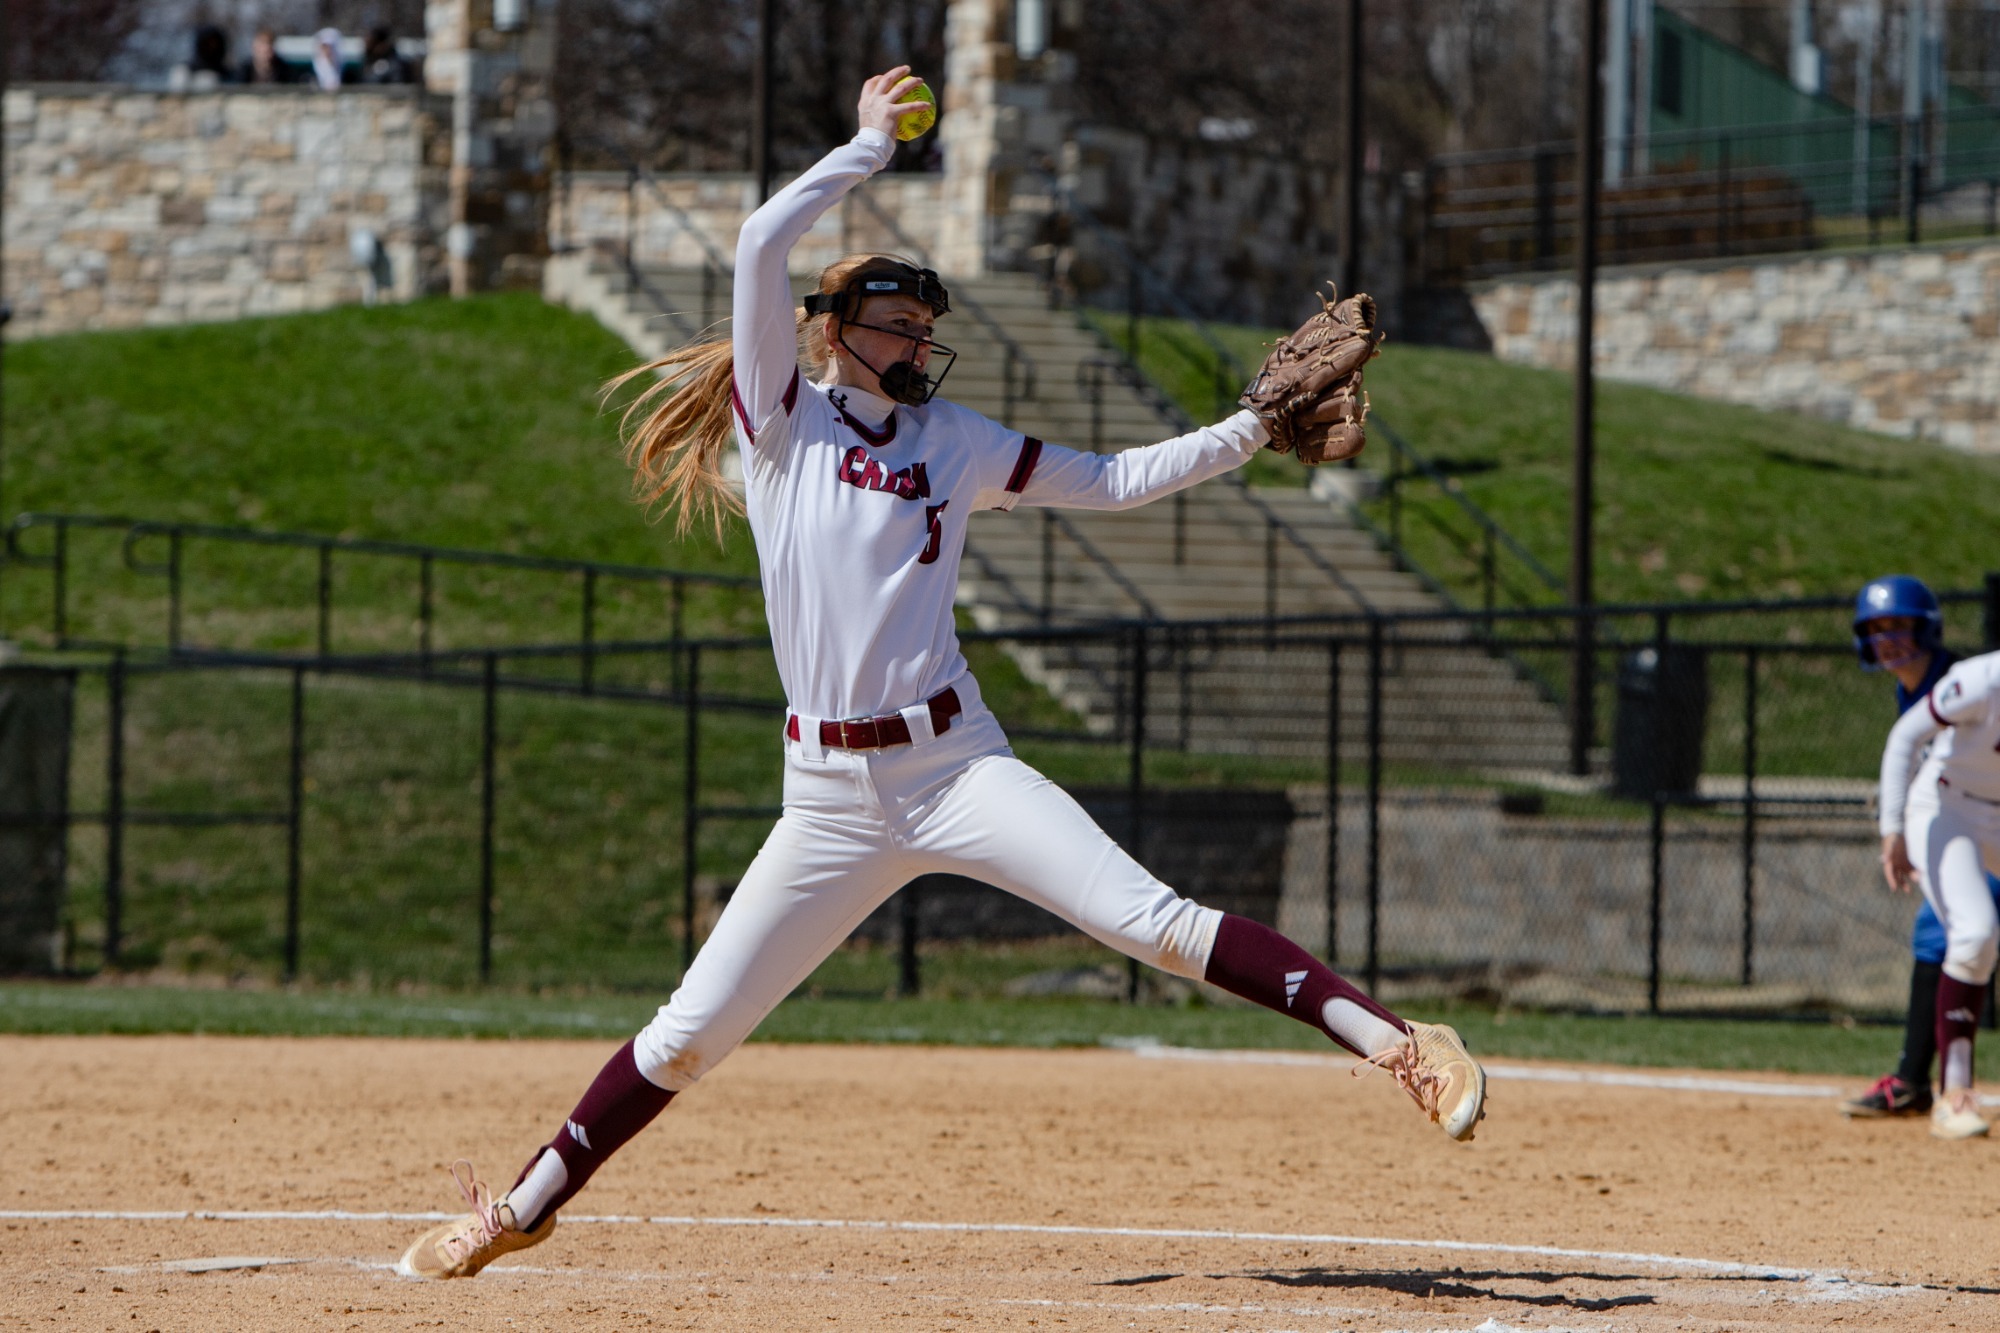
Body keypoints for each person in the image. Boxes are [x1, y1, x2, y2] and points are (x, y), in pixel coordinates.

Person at [396, 68, 1487, 1282]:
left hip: (956, 765)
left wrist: (1246, 428)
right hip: (823, 795)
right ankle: (522, 1204)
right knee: (689, 1034)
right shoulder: (781, 424)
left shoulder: (953, 442)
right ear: (833, 330)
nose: (920, 343)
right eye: (897, 325)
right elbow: (761, 241)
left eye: (926, 328)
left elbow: (1114, 481)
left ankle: (1399, 1044)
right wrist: (868, 146)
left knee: (1152, 923)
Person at [1844, 577, 2000, 1124]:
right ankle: (1922, 1081)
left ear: (1925, 627)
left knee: (1958, 936)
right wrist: (1896, 826)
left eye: (1898, 626)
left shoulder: (1946, 678)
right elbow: (1907, 746)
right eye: (1876, 629)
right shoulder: (1968, 682)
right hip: (1954, 814)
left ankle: (1917, 1079)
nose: (1887, 640)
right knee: (1952, 933)